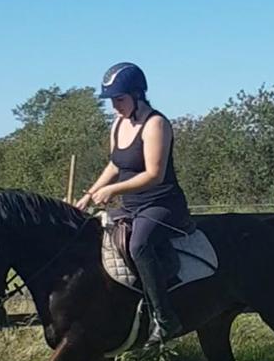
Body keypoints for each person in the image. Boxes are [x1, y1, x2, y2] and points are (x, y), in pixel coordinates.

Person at [77, 62, 192, 346]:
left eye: (119, 99)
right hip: (131, 206)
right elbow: (115, 165)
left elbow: (154, 175)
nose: (115, 106)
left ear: (137, 94)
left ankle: (165, 319)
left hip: (162, 204)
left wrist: (112, 190)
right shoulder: (118, 124)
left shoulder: (156, 124)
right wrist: (90, 194)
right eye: (112, 100)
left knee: (139, 244)